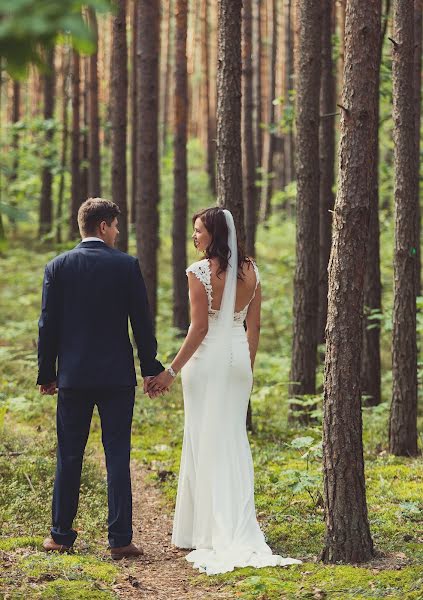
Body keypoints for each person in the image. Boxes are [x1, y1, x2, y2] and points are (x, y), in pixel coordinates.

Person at [149, 207, 302, 575]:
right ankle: (224, 522)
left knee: (204, 437)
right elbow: (254, 328)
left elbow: (199, 329)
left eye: (198, 230)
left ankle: (206, 529)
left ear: (214, 234)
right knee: (231, 438)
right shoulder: (252, 270)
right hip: (237, 362)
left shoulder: (198, 272)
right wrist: (245, 368)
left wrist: (170, 371)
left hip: (207, 362)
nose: (195, 237)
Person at [37, 197, 165, 559]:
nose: (118, 233)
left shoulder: (58, 266)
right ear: (104, 226)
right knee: (118, 455)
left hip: (74, 377)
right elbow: (141, 322)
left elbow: (47, 325)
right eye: (116, 226)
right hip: (116, 378)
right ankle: (121, 539)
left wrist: (48, 374)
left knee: (69, 455)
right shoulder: (126, 266)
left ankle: (60, 535)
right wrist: (150, 368)